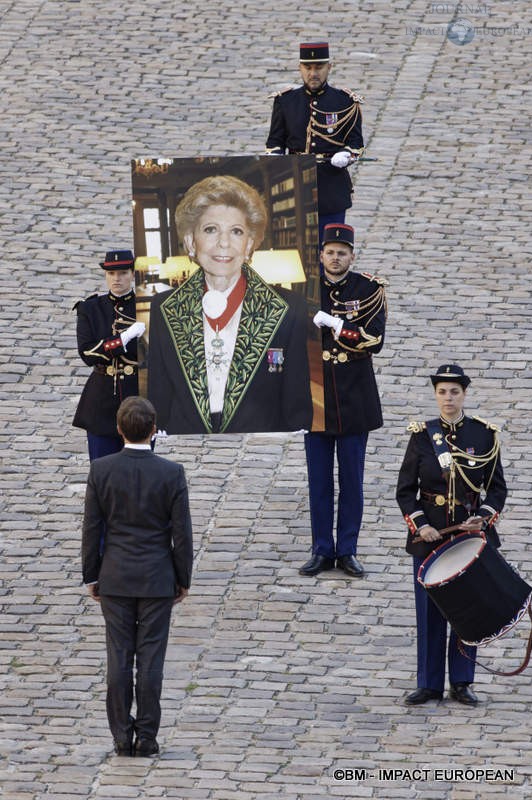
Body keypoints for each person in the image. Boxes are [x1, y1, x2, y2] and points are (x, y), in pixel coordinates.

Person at [147, 174, 313, 434]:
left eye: (236, 231)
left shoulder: (288, 309)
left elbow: (296, 407)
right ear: (191, 241)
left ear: (249, 244)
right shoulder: (163, 307)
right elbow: (159, 398)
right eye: (210, 229)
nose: (224, 243)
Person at [81, 396, 193, 756]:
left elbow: (91, 529)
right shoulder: (171, 473)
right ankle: (146, 735)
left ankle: (120, 735)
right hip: (157, 578)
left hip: (115, 576)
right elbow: (182, 534)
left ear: (118, 429)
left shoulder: (102, 470)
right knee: (150, 659)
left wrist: (91, 575)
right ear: (154, 430)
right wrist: (183, 577)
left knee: (118, 656)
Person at [396, 365, 507, 706]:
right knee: (429, 613)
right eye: (442, 392)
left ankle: (461, 682)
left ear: (464, 395)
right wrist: (421, 525)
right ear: (435, 395)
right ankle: (429, 684)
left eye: (454, 392)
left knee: (466, 610)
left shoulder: (483, 436)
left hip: (467, 538)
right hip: (430, 537)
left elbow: (497, 490)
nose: (448, 398)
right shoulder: (421, 437)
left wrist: (483, 519)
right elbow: (405, 491)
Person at [299, 223, 387, 577]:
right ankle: (322, 549)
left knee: (351, 480)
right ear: (321, 255)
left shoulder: (368, 289)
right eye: (330, 252)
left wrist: (336, 325)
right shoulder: (306, 289)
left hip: (354, 396)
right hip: (316, 396)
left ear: (352, 255)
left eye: (342, 253)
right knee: (319, 481)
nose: (336, 258)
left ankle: (347, 549)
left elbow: (373, 340)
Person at [265, 42, 364, 244]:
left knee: (328, 246)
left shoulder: (344, 102)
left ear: (329, 67)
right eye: (308, 68)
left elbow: (356, 142)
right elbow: (275, 142)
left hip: (331, 188)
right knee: (295, 246)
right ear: (300, 68)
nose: (313, 74)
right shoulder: (286, 101)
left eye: (318, 68)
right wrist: (275, 159)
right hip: (294, 186)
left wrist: (346, 154)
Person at [73, 250, 146, 460]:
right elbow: (87, 353)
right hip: (101, 400)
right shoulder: (90, 308)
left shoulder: (146, 307)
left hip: (138, 396)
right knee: (101, 470)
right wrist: (124, 338)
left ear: (133, 275)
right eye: (111, 274)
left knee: (138, 472)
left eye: (123, 273)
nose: (117, 279)